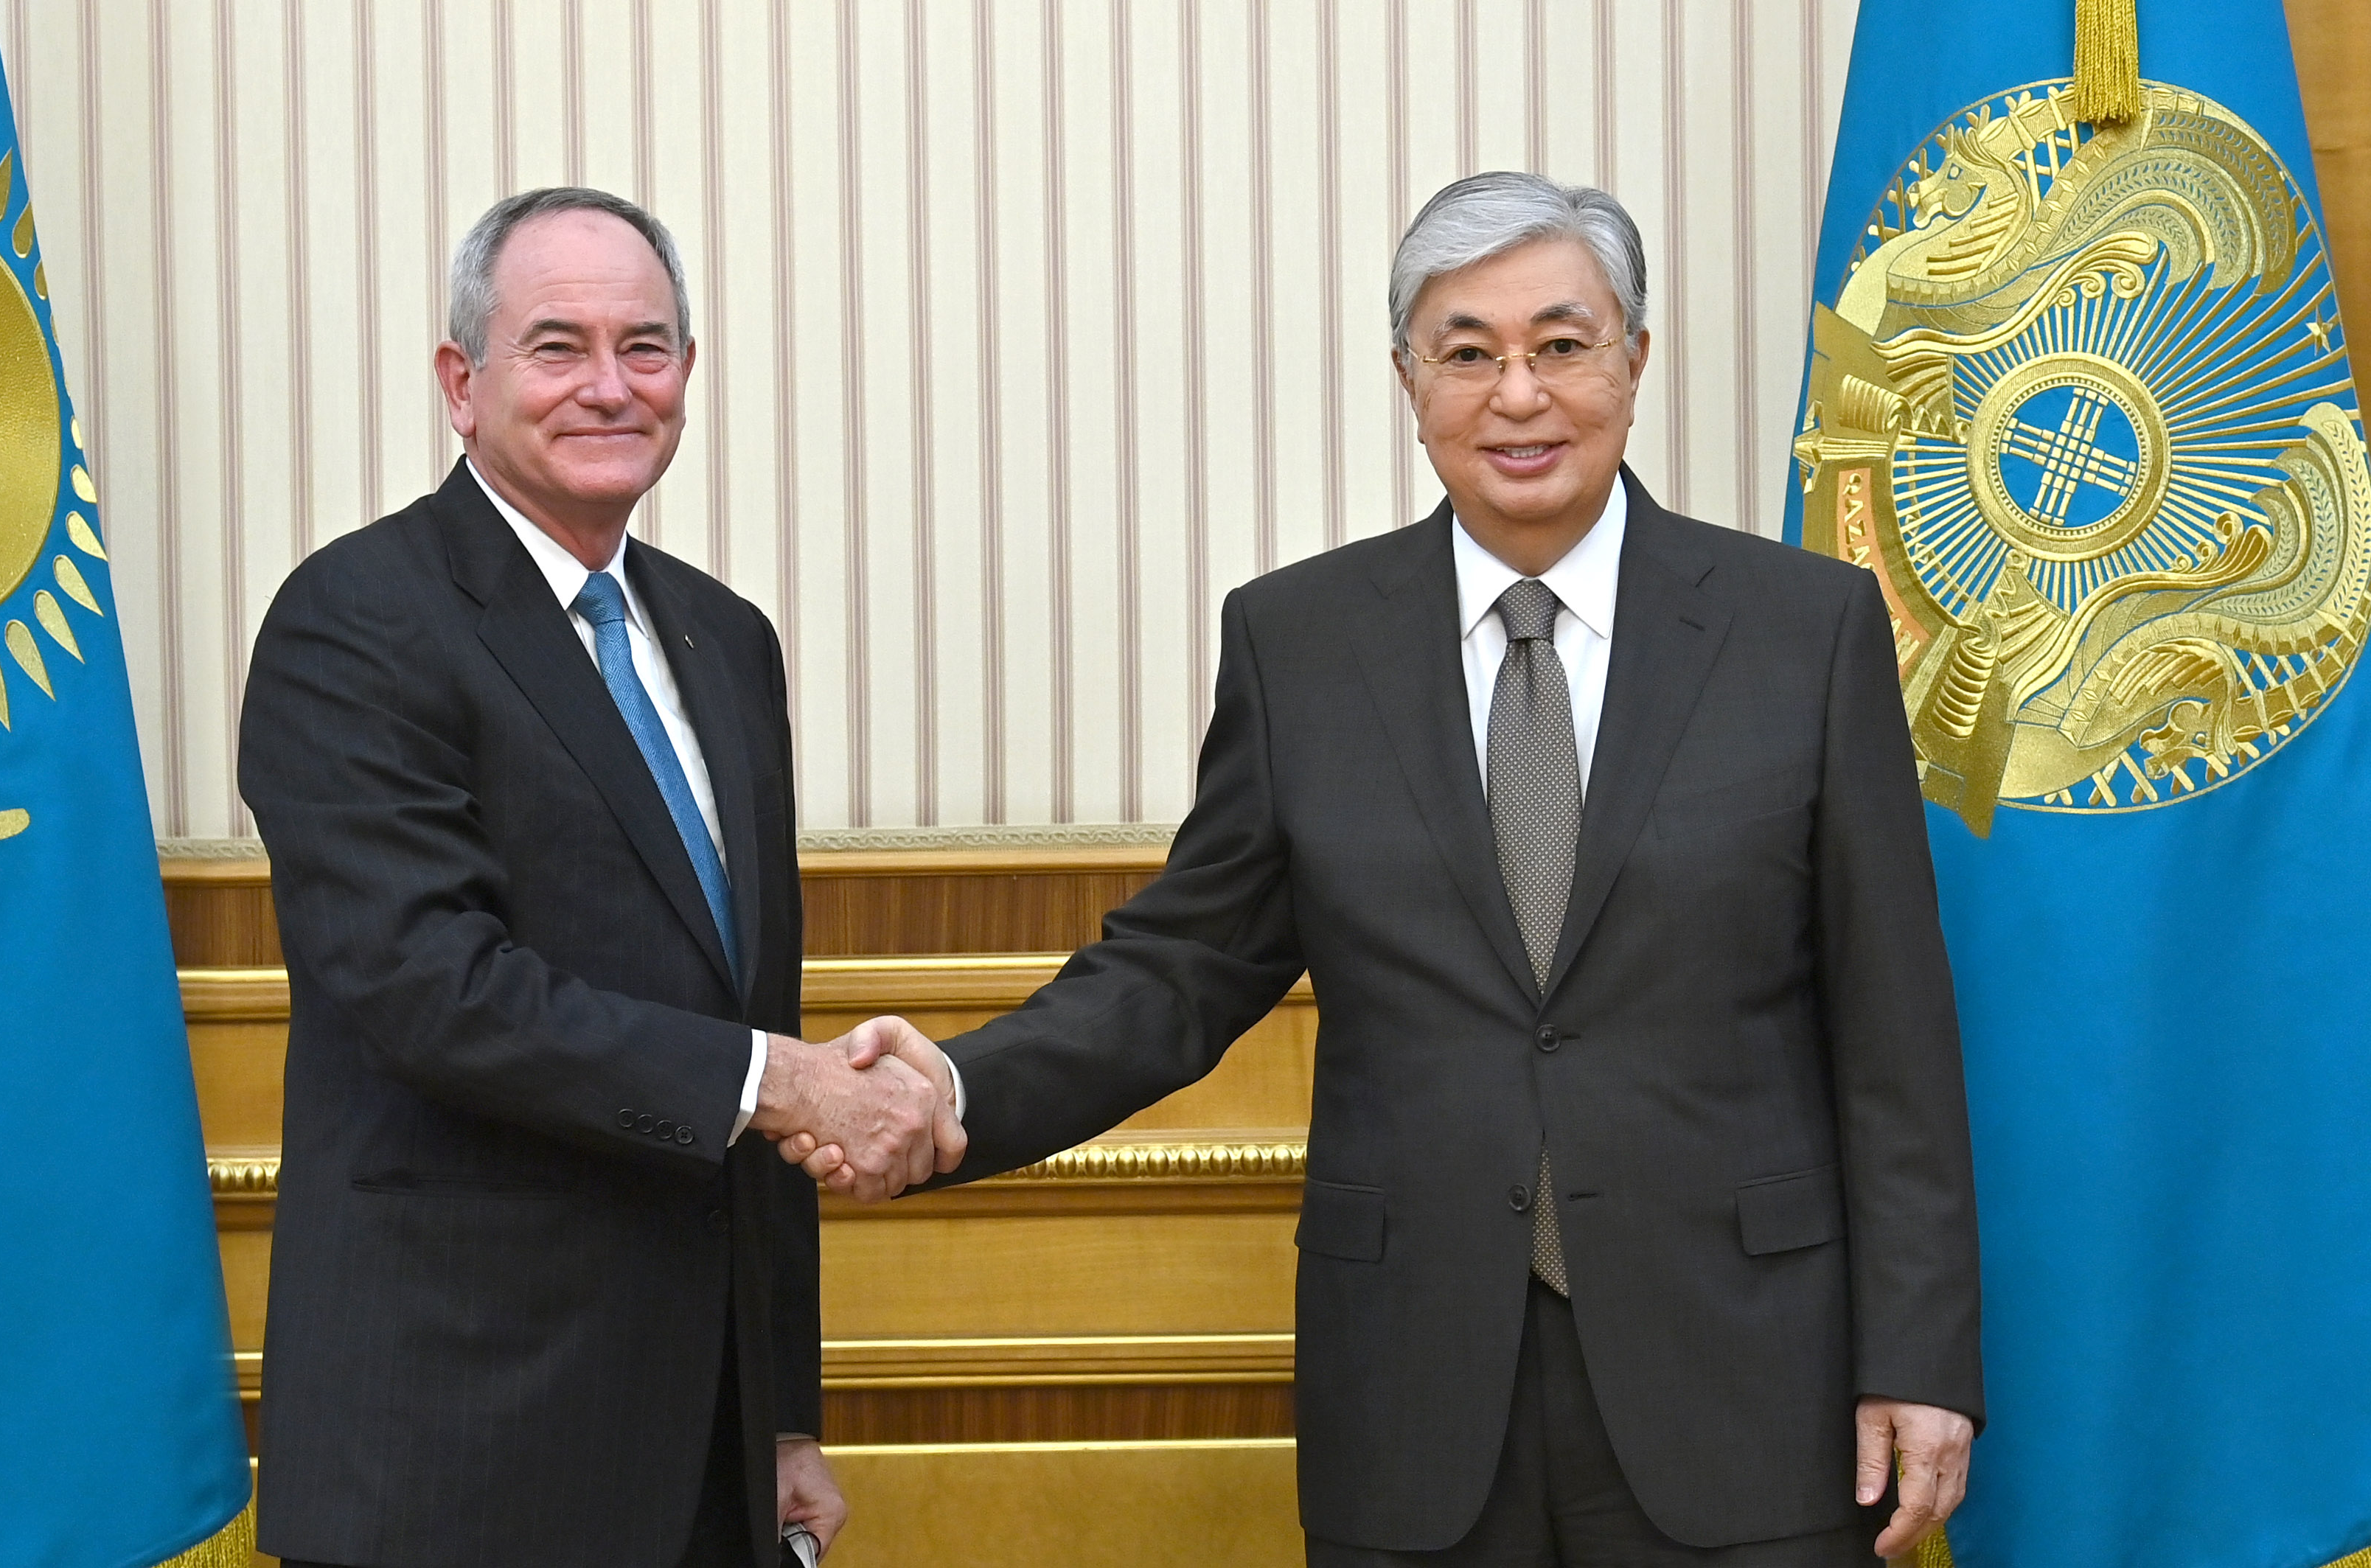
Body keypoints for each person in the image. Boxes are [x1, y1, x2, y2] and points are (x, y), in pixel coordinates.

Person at [791, 173, 1982, 1564]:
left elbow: (1892, 1030)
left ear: (1634, 359)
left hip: (1744, 1374)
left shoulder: (1804, 630)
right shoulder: (1300, 642)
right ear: (1409, 381)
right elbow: (1183, 968)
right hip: (1417, 1384)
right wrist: (951, 1092)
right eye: (1466, 353)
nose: (1517, 394)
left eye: (1561, 343)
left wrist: (1919, 1356)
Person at [239, 186, 961, 1568]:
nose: (610, 386)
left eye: (645, 347)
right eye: (557, 347)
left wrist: (779, 1416)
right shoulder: (357, 619)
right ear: (462, 383)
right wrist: (778, 1081)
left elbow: (751, 1002)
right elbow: (432, 989)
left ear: (688, 371)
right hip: (458, 1445)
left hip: (700, 1449)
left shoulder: (723, 639)